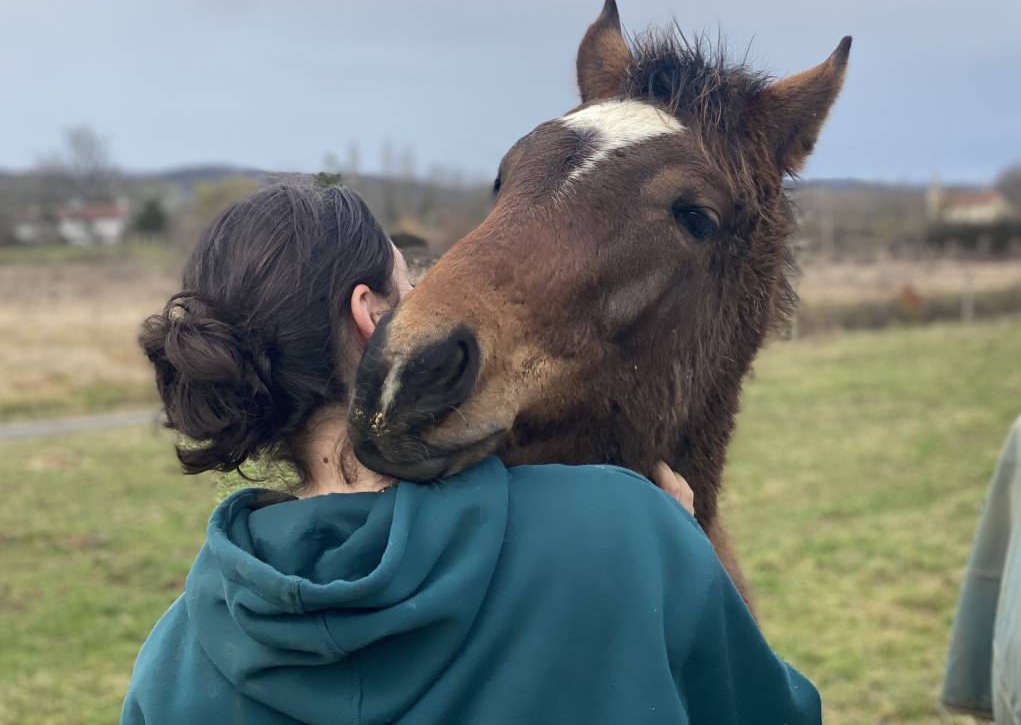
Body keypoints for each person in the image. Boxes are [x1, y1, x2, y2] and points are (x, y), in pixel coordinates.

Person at [122, 179, 822, 725]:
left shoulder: (176, 656)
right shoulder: (622, 530)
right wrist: (676, 547)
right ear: (372, 317)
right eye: (413, 279)